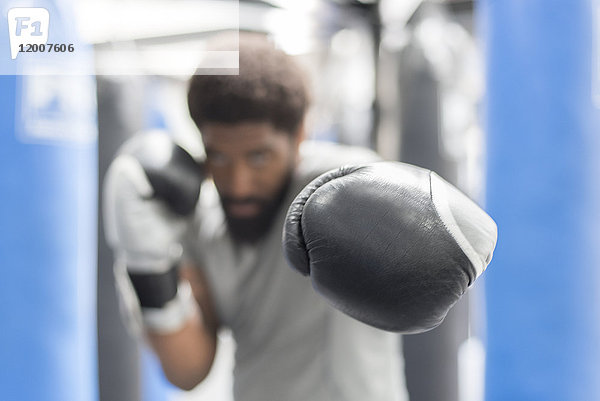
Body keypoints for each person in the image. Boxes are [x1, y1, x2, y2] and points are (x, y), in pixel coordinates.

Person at [103, 33, 496, 401]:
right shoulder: (197, 222)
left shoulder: (341, 188)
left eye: (259, 157)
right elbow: (187, 370)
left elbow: (474, 235)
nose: (238, 183)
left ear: (300, 134)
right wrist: (146, 266)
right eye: (219, 157)